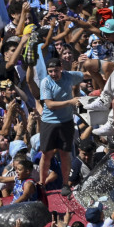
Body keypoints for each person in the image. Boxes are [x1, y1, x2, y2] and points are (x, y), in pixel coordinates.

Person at [39, 58, 84, 197]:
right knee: (47, 154)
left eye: (56, 70)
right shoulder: (46, 82)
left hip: (66, 122)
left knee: (65, 154)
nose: (53, 74)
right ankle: (42, 184)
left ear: (61, 69)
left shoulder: (69, 76)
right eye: (50, 71)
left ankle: (65, 184)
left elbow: (83, 76)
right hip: (49, 122)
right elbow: (50, 104)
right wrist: (71, 101)